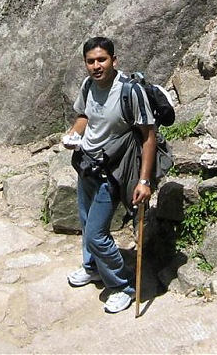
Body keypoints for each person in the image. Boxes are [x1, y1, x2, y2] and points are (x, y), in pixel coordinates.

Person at [62, 36, 157, 313]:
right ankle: (92, 267)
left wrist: (144, 180)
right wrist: (73, 134)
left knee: (96, 233)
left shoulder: (130, 92)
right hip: (86, 163)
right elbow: (84, 116)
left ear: (114, 60)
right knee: (85, 220)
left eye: (102, 59)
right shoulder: (88, 85)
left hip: (113, 170)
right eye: (90, 61)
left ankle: (122, 286)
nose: (96, 66)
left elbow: (148, 136)